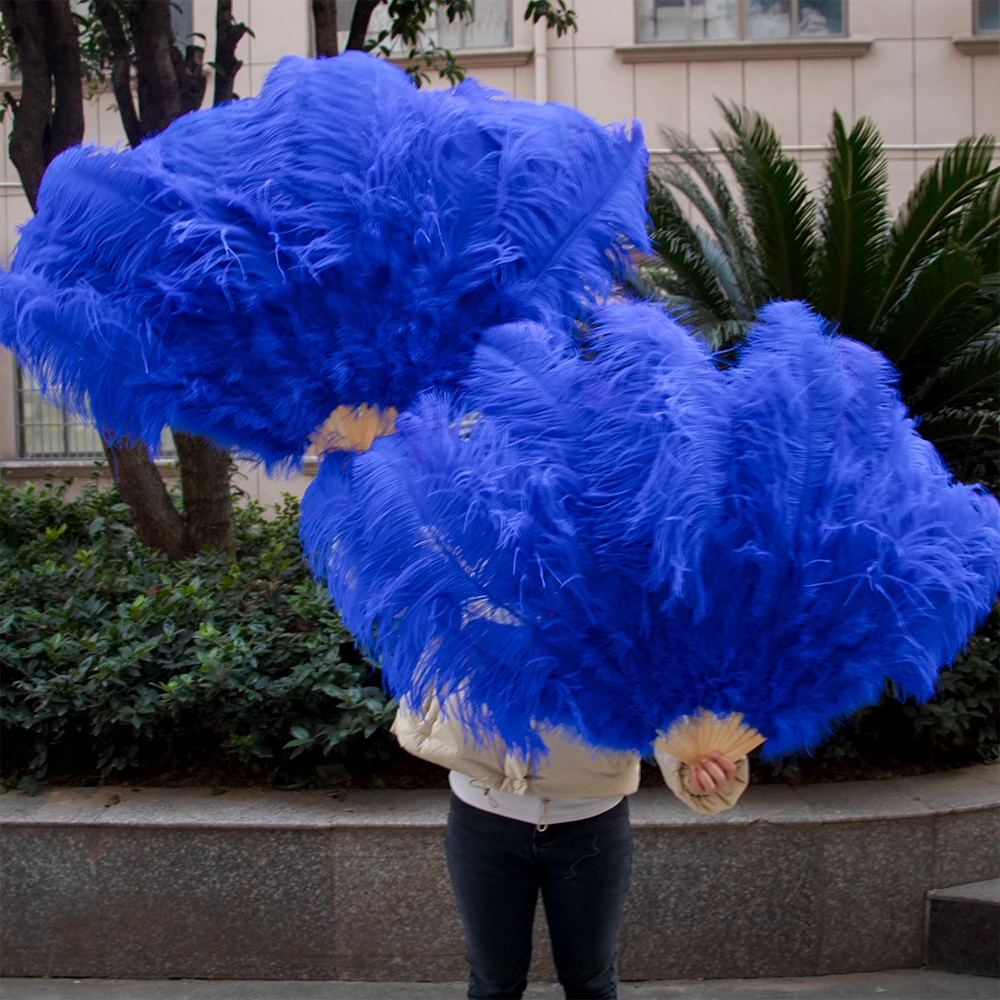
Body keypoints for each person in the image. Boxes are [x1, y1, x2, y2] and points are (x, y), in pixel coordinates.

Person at [391, 696, 749, 1000]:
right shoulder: (470, 611)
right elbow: (434, 649)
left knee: (590, 979)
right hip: (484, 820)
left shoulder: (629, 612)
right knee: (493, 979)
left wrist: (696, 766)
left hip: (591, 826)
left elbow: (664, 683)